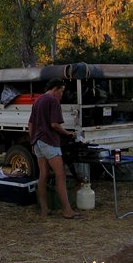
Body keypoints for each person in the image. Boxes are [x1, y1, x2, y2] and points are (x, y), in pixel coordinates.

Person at [28, 78, 81, 219]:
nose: (62, 95)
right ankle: (67, 210)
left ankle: (44, 210)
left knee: (43, 175)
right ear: (56, 88)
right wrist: (68, 133)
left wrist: (32, 141)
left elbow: (31, 124)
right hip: (49, 141)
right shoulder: (53, 101)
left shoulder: (38, 100)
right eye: (61, 91)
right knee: (60, 175)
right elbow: (54, 125)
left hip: (38, 141)